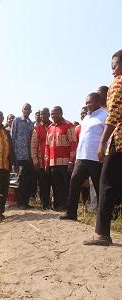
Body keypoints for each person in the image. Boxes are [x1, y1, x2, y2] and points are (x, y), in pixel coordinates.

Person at [84, 50, 122, 246]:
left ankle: (102, 234)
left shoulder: (118, 83)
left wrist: (102, 142)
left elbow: (114, 115)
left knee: (106, 185)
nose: (113, 71)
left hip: (119, 143)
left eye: (114, 66)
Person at [60, 93, 107, 221]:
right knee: (74, 183)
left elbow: (108, 137)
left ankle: (105, 216)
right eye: (86, 103)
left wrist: (104, 153)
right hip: (82, 158)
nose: (87, 105)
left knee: (99, 187)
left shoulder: (104, 116)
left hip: (96, 158)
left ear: (98, 102)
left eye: (89, 103)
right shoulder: (86, 118)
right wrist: (76, 157)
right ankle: (71, 213)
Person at [45, 106, 77, 210]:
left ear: (61, 113)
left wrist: (71, 161)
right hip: (53, 163)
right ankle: (59, 206)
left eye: (55, 113)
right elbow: (47, 146)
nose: (53, 116)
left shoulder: (69, 125)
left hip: (65, 163)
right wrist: (46, 163)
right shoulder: (49, 128)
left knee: (66, 186)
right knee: (56, 186)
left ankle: (68, 207)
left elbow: (73, 144)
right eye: (52, 114)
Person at [11, 103, 35, 209]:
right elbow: (12, 138)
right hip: (17, 157)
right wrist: (12, 156)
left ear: (30, 111)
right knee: (16, 180)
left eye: (28, 109)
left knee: (26, 181)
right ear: (22, 110)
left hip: (28, 157)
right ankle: (18, 203)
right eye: (25, 109)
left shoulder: (31, 123)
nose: (26, 111)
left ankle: (25, 202)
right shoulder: (16, 121)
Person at [31, 108, 52, 209]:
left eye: (44, 114)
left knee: (54, 183)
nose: (42, 116)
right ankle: (45, 204)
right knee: (43, 184)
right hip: (41, 161)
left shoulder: (53, 126)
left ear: (49, 114)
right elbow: (34, 146)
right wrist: (35, 160)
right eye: (41, 115)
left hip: (53, 161)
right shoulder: (37, 129)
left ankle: (57, 204)